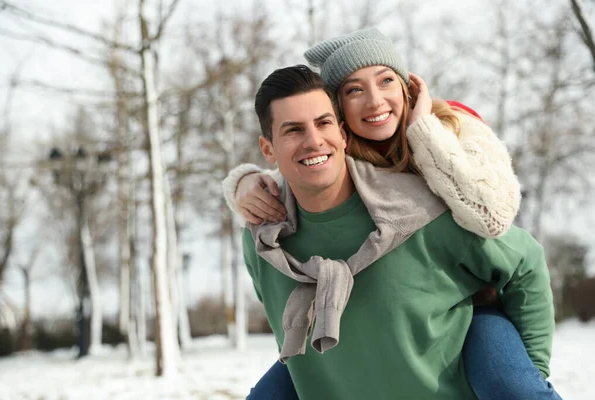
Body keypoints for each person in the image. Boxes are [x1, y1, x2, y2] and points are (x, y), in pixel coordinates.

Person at [230, 29, 561, 399]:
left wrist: (532, 373)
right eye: (354, 90)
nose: (374, 101)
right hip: (338, 347)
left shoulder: (445, 147)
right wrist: (242, 182)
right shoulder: (266, 235)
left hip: (477, 305)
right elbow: (306, 170)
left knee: (513, 386)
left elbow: (502, 228)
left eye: (386, 81)